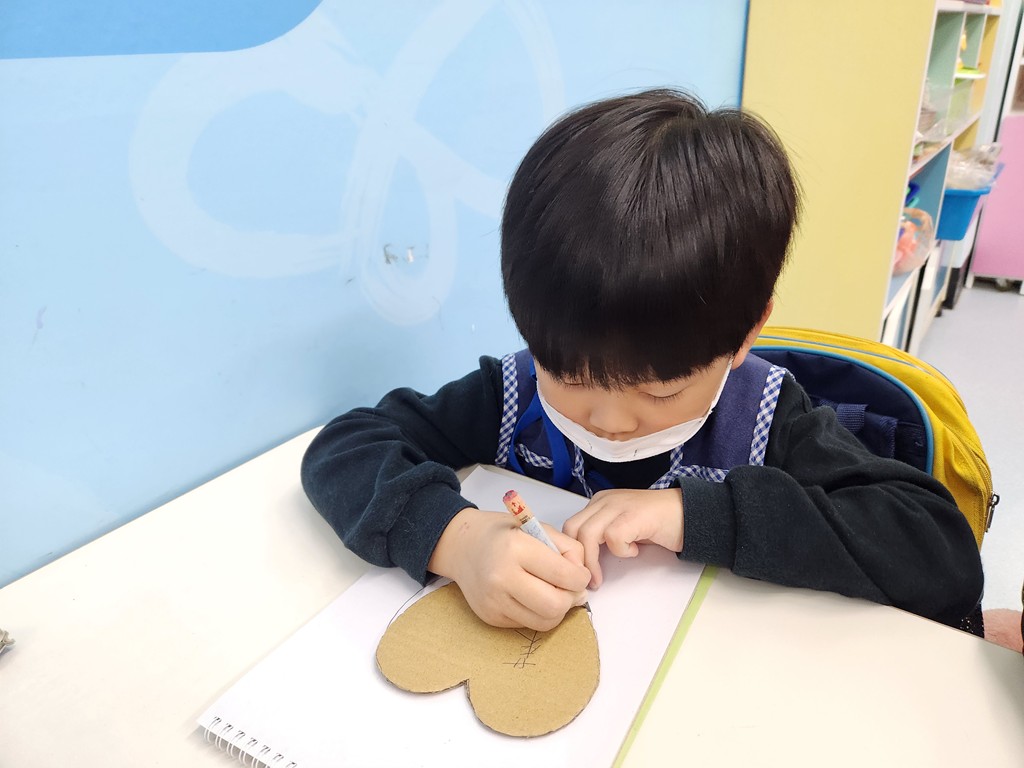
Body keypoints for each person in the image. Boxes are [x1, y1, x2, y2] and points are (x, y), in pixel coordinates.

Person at [301, 89, 983, 633]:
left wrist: (695, 515)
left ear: (747, 333)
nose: (610, 420)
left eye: (660, 393)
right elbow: (346, 446)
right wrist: (455, 539)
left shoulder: (768, 418)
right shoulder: (513, 394)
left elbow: (939, 554)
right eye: (570, 376)